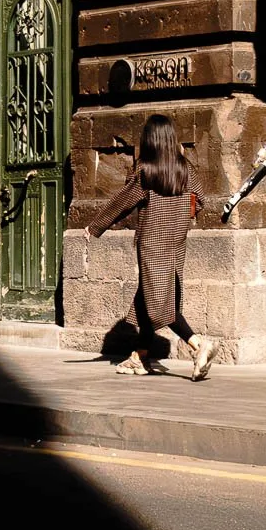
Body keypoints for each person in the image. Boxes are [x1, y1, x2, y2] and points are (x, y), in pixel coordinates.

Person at [84, 113, 218, 380]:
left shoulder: (146, 171)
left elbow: (122, 202)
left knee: (160, 305)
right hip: (176, 244)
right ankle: (139, 358)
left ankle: (197, 344)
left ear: (151, 141)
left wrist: (95, 226)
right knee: (147, 300)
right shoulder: (185, 170)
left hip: (152, 246)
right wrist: (180, 216)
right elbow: (200, 201)